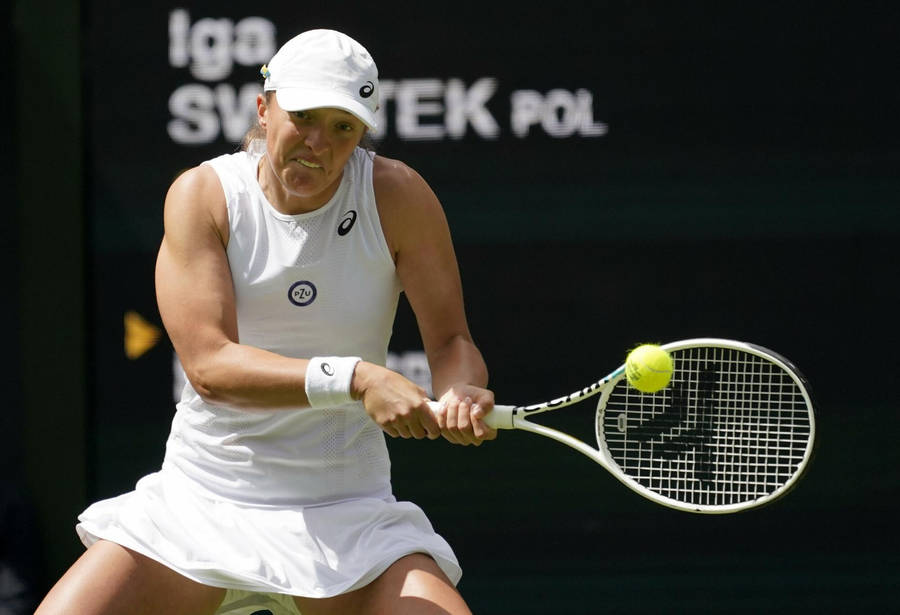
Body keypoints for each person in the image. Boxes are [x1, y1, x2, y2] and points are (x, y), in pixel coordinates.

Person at [36, 29, 496, 615]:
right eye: (303, 117)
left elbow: (451, 341)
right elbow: (210, 367)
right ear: (263, 109)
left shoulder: (399, 196)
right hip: (200, 503)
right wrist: (357, 378)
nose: (318, 143)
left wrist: (460, 390)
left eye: (343, 127)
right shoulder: (203, 196)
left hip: (348, 515)